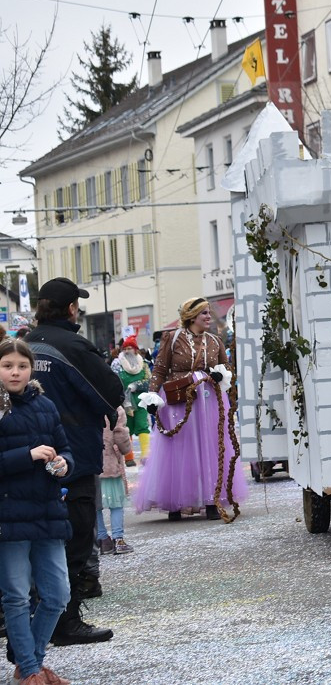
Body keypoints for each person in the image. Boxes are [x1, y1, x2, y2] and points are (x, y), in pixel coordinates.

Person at [25, 277, 124, 646]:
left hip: (23, 457)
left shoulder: (21, 346)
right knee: (75, 536)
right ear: (70, 309)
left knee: (28, 537)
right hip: (72, 455)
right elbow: (109, 392)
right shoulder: (74, 346)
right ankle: (65, 621)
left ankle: (24, 615)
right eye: (77, 305)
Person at [0, 339, 74, 685]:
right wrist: (27, 456)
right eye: (7, 365)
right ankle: (30, 670)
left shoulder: (45, 404)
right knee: (15, 597)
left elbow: (67, 449)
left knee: (58, 593)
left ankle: (31, 662)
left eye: (21, 365)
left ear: (31, 369)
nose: (15, 372)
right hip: (9, 514)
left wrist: (63, 464)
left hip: (47, 512)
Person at [134, 297, 247, 521]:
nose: (208, 317)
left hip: (211, 400)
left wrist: (220, 373)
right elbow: (160, 368)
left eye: (208, 313)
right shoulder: (172, 338)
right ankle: (176, 503)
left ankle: (212, 499)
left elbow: (227, 367)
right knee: (179, 449)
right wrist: (153, 396)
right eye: (204, 313)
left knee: (211, 447)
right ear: (191, 316)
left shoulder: (215, 340)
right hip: (179, 398)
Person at [97, 406, 133, 556]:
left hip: (92, 463)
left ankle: (102, 540)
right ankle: (118, 539)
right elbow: (120, 435)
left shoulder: (84, 401)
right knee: (116, 504)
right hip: (111, 463)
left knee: (96, 505)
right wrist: (126, 449)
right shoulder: (114, 407)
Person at [115, 336, 151, 462]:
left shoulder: (143, 364)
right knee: (127, 427)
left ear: (135, 350)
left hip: (141, 399)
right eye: (125, 348)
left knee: (142, 425)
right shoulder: (117, 364)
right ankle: (128, 457)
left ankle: (145, 455)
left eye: (130, 348)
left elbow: (149, 380)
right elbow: (112, 380)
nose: (128, 351)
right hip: (125, 400)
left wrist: (137, 385)